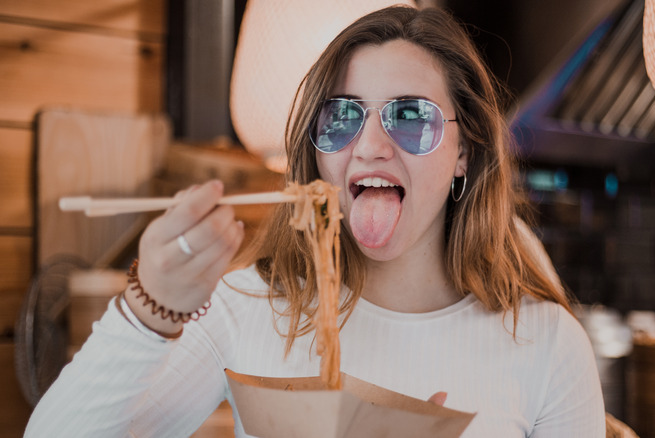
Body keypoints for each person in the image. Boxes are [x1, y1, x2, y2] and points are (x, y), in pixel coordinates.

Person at [26, 5, 605, 437]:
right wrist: (149, 308)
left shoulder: (546, 343)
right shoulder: (250, 304)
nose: (370, 145)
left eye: (410, 117)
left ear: (465, 154)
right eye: (343, 116)